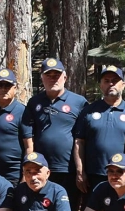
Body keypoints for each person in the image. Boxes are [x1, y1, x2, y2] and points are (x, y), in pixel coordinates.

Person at [20, 58, 88, 197]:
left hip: (68, 168)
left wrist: (81, 170)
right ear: (42, 78)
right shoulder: (34, 102)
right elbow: (29, 137)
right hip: (40, 168)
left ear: (65, 77)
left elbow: (84, 139)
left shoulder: (79, 102)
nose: (53, 79)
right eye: (48, 76)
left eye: (56, 75)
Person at [72, 65, 125, 196]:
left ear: (123, 85)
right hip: (94, 175)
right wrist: (80, 172)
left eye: (115, 81)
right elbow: (79, 143)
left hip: (123, 175)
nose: (111, 84)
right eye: (106, 80)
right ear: (100, 85)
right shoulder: (88, 111)